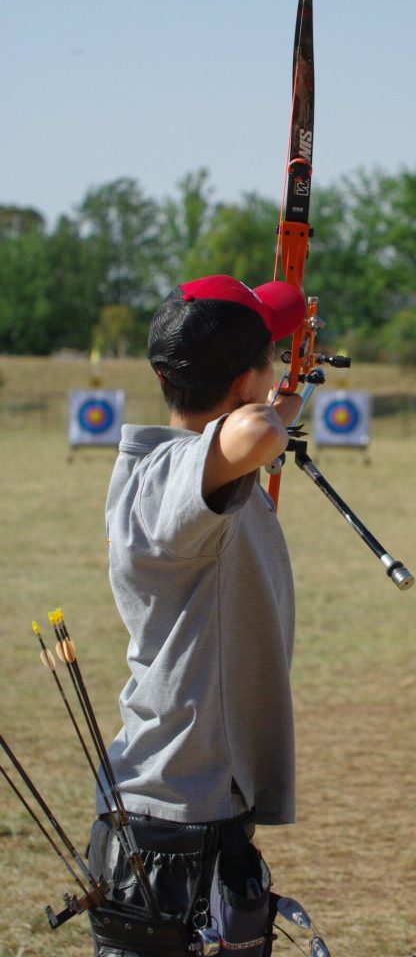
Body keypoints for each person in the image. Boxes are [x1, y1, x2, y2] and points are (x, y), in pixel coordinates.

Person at [87, 273, 306, 956]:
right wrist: (273, 412)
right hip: (169, 824)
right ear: (245, 380)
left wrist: (270, 399)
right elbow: (256, 432)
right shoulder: (171, 475)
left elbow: (254, 430)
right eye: (268, 359)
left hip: (197, 806)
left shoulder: (188, 467)